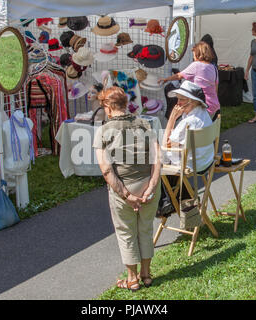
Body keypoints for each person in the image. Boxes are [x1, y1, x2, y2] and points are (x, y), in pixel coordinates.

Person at [93, 86, 161, 292]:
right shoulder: (144, 124)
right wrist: (151, 185)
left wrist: (126, 194)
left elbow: (106, 170)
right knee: (146, 228)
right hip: (148, 184)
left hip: (124, 186)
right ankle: (146, 275)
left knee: (126, 232)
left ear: (108, 106)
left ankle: (132, 279)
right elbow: (158, 158)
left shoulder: (103, 131)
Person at [157, 81, 215, 216]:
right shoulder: (203, 113)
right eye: (178, 98)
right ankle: (175, 203)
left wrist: (171, 118)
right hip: (206, 160)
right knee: (166, 168)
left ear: (193, 101)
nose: (178, 103)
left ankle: (167, 204)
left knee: (155, 164)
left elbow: (166, 145)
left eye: (182, 99)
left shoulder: (188, 122)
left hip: (191, 164)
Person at [158, 41, 220, 120]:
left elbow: (179, 76)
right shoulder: (213, 67)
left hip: (202, 106)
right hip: (214, 105)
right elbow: (216, 89)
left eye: (194, 54)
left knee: (195, 130)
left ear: (198, 54)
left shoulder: (197, 65)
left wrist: (166, 79)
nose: (194, 57)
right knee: (207, 129)